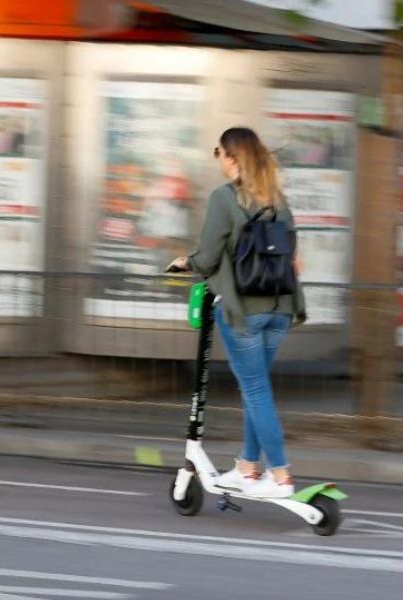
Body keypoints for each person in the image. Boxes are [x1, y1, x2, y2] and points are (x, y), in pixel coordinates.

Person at [167, 127, 306, 499]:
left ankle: (281, 477)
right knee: (255, 388)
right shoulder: (277, 198)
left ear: (230, 156)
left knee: (256, 389)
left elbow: (209, 256)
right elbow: (291, 252)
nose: (219, 160)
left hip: (243, 310)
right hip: (280, 308)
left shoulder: (224, 198)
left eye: (219, 153)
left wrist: (186, 263)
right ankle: (247, 467)